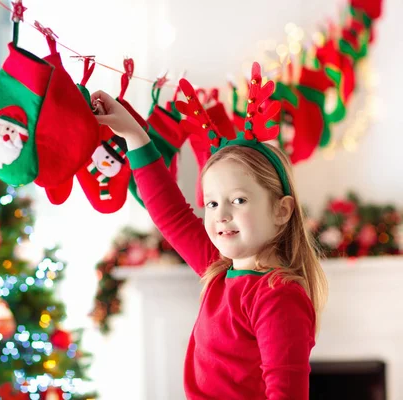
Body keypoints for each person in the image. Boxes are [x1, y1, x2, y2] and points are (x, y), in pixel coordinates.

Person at [90, 71, 328, 399]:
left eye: (238, 200)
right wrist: (133, 135)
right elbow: (170, 215)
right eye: (212, 202)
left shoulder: (277, 297)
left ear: (281, 211)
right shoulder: (218, 269)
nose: (221, 214)